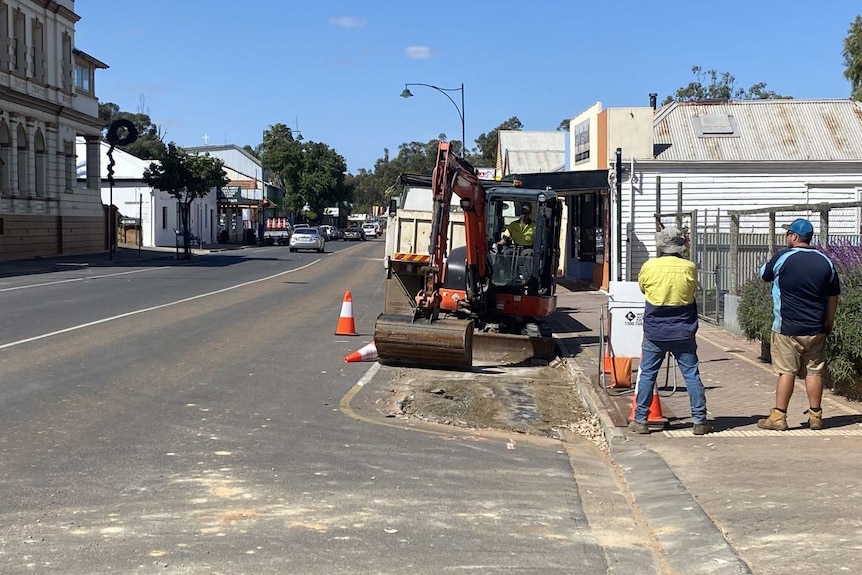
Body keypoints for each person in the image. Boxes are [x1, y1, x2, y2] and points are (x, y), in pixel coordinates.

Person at [757, 218, 840, 431]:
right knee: (815, 372)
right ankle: (816, 416)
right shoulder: (825, 261)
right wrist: (828, 321)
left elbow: (764, 275)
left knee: (787, 372)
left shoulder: (783, 257)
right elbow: (833, 296)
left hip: (788, 328)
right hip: (816, 328)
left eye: (788, 234)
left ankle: (779, 417)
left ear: (794, 237)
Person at [629, 226, 710, 435]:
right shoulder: (689, 267)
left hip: (655, 329)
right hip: (684, 328)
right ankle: (699, 420)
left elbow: (643, 289)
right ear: (680, 246)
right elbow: (692, 291)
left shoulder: (649, 266)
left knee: (647, 374)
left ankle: (640, 420)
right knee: (691, 374)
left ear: (660, 246)